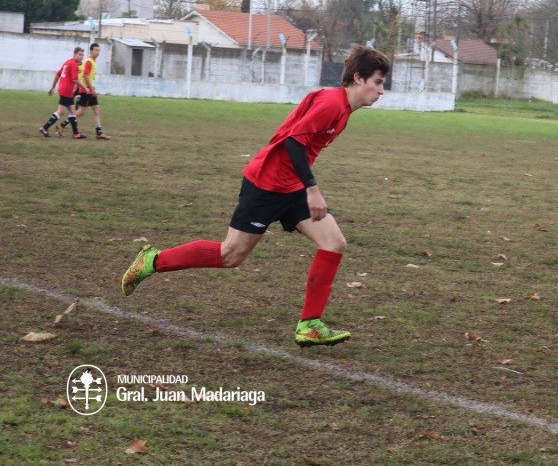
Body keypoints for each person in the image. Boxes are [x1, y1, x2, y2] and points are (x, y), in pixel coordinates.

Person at [121, 44, 391, 348]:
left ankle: (310, 325)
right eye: (378, 82)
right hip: (266, 185)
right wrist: (313, 189)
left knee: (334, 242)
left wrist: (305, 187)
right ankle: (153, 260)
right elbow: (292, 144)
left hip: (291, 187)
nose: (381, 91)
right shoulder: (331, 103)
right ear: (358, 78)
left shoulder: (341, 107)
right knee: (231, 255)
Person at [57, 43, 110, 139]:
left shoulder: (93, 62)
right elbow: (85, 75)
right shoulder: (89, 61)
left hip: (90, 90)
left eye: (99, 50)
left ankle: (99, 133)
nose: (98, 52)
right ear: (91, 51)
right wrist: (90, 89)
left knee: (97, 110)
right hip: (86, 91)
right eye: (96, 50)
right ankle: (63, 124)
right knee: (81, 111)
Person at [41, 47, 87, 139]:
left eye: (82, 55)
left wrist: (53, 87)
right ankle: (45, 128)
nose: (81, 57)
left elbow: (58, 74)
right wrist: (84, 87)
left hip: (66, 90)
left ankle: (76, 134)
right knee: (60, 112)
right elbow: (75, 79)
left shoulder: (67, 62)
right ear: (74, 54)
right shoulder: (73, 64)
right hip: (66, 90)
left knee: (73, 112)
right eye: (79, 54)